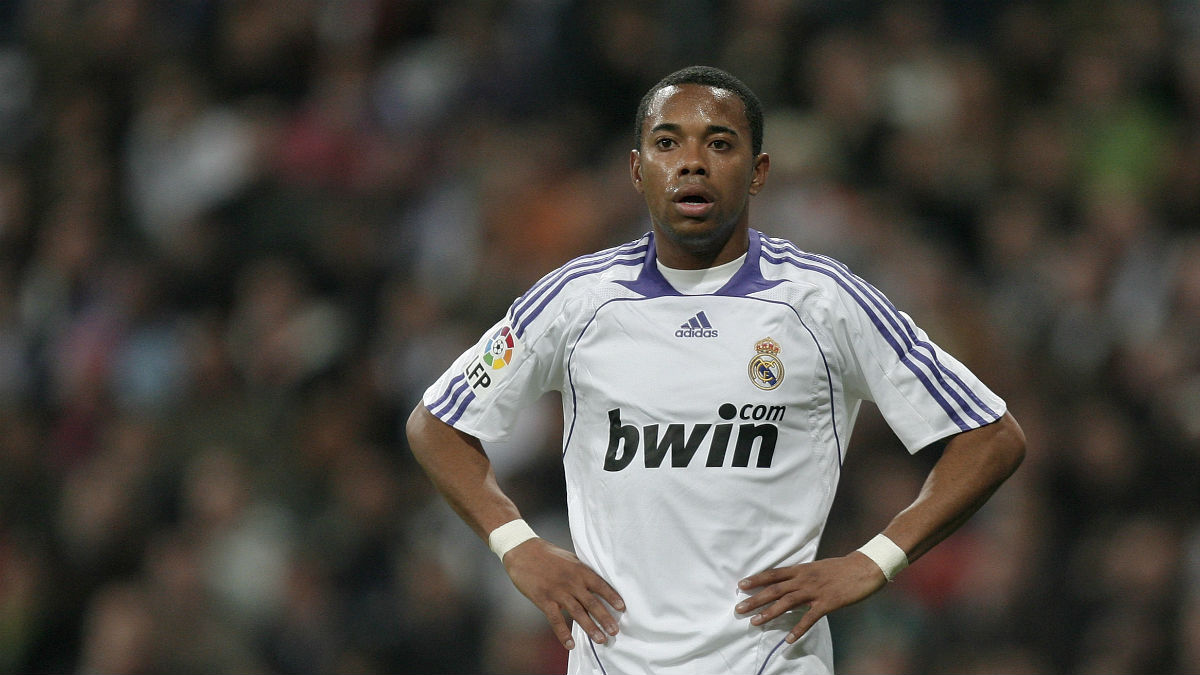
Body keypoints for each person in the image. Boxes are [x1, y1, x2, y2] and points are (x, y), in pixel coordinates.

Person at [406, 65, 1026, 674]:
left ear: (758, 173)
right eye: (667, 142)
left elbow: (991, 436)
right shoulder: (577, 301)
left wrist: (876, 558)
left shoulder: (822, 302)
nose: (692, 162)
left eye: (719, 143)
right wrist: (517, 545)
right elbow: (437, 425)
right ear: (636, 169)